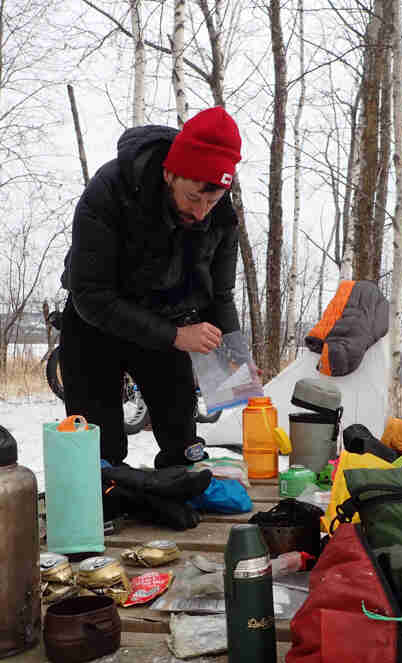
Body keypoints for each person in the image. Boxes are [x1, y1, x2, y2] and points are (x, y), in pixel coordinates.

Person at [59, 106, 244, 468]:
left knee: (183, 444)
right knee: (100, 453)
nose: (202, 212)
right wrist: (176, 336)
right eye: (194, 198)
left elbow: (218, 295)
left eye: (213, 200)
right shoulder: (111, 190)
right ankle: (103, 507)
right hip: (95, 323)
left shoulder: (221, 215)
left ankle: (174, 497)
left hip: (167, 320)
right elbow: (91, 296)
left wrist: (233, 367)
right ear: (170, 173)